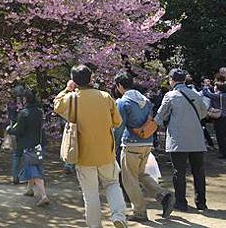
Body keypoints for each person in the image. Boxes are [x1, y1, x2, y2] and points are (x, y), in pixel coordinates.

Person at [54, 65, 127, 228]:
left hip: (82, 154)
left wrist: (67, 89)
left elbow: (57, 105)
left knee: (90, 194)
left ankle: (95, 225)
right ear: (91, 78)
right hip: (106, 152)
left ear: (74, 80)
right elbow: (117, 122)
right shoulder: (105, 96)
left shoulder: (71, 98)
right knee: (112, 184)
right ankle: (118, 215)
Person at [114, 72, 174, 221]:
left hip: (131, 144)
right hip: (146, 142)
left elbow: (119, 127)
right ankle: (163, 195)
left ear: (120, 86)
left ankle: (139, 212)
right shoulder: (146, 100)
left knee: (129, 179)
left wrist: (114, 146)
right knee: (140, 174)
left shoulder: (123, 102)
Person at [155, 68, 208, 211]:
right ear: (184, 80)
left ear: (172, 80)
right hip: (196, 138)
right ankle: (201, 202)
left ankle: (181, 203)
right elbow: (203, 113)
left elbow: (160, 117)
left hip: (178, 140)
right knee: (198, 171)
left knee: (179, 172)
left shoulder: (170, 96)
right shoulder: (196, 94)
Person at [7, 88, 49, 206]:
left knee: (33, 169)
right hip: (39, 144)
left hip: (28, 146)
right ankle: (29, 189)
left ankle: (44, 195)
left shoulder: (24, 113)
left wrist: (10, 130)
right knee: (35, 166)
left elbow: (20, 130)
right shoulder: (39, 111)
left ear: (25, 100)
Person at [203, 75, 226, 159]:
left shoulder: (218, 96)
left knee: (220, 136)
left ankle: (222, 153)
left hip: (220, 118)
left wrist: (205, 86)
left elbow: (207, 93)